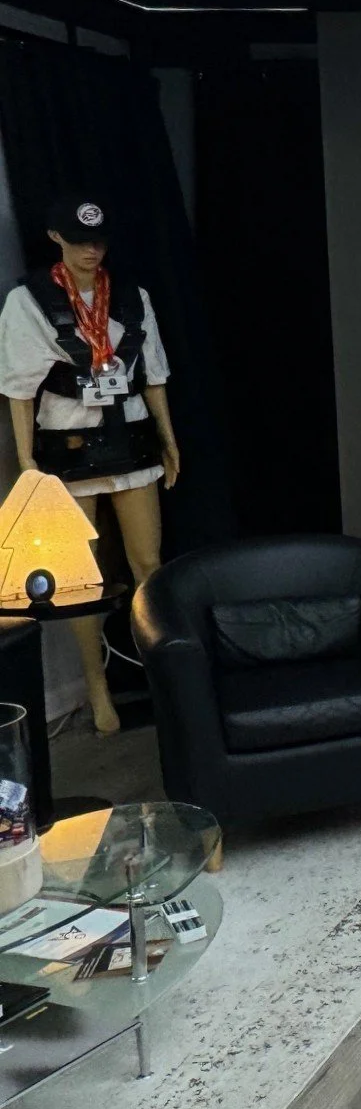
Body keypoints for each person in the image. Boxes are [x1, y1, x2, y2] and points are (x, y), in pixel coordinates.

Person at [0, 196, 181, 736]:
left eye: (99, 241)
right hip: (68, 447)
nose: (90, 251)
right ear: (57, 237)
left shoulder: (130, 295)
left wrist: (170, 441)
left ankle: (164, 676)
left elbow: (153, 375)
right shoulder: (29, 302)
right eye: (79, 241)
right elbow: (19, 391)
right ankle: (96, 690)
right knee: (83, 577)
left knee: (148, 561)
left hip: (130, 444)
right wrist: (28, 464)